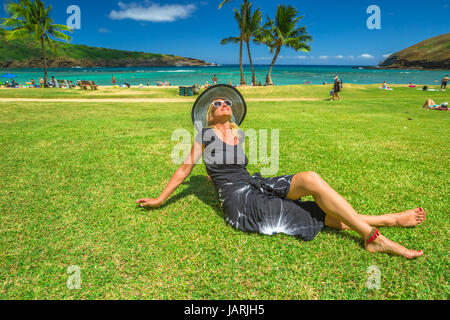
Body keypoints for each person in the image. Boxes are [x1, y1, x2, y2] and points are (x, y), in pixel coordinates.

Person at [137, 94, 426, 259]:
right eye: (217, 104)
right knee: (309, 212)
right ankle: (379, 229)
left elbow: (229, 168)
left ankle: (382, 225)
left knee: (311, 179)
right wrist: (160, 199)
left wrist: (215, 175)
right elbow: (185, 168)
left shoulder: (239, 134)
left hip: (255, 183)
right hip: (240, 202)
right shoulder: (204, 134)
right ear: (210, 115)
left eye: (227, 103)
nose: (223, 105)